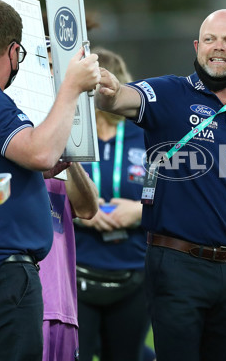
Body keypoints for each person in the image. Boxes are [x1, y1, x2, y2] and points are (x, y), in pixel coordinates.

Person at [95, 9, 226, 360]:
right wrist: (108, 90)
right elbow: (120, 98)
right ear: (196, 46)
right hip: (176, 264)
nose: (218, 47)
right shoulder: (168, 92)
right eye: (210, 39)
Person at [0, 0, 100, 360]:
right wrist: (70, 88)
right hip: (0, 280)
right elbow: (40, 151)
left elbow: (2, 169)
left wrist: (39, 168)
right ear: (13, 51)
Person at [75, 47, 154, 361]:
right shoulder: (70, 131)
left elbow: (176, 194)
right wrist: (81, 213)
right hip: (75, 270)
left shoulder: (147, 133)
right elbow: (44, 191)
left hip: (134, 270)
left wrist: (139, 210)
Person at [41, 161, 99, 361]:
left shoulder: (59, 158)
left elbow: (88, 209)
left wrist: (69, 156)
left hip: (61, 305)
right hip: (19, 303)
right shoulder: (6, 142)